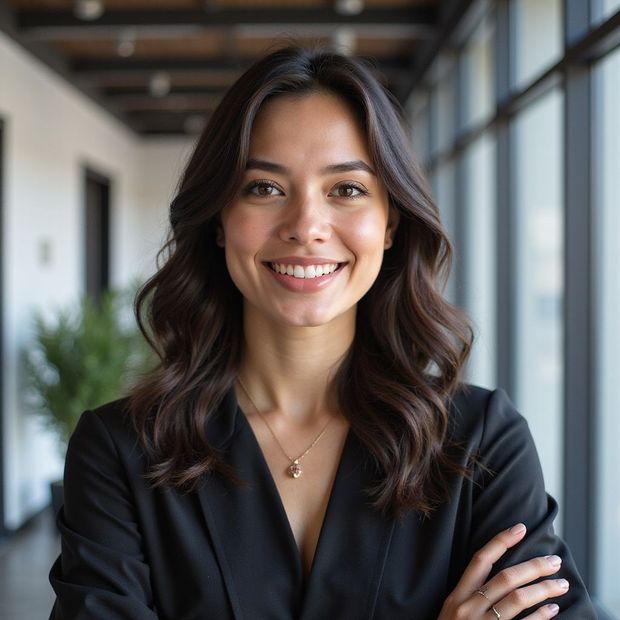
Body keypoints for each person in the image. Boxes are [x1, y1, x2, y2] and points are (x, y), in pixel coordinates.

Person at [49, 45, 596, 619]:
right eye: (264, 187)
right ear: (218, 221)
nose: (306, 227)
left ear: (390, 223)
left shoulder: (482, 443)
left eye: (347, 189)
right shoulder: (121, 450)